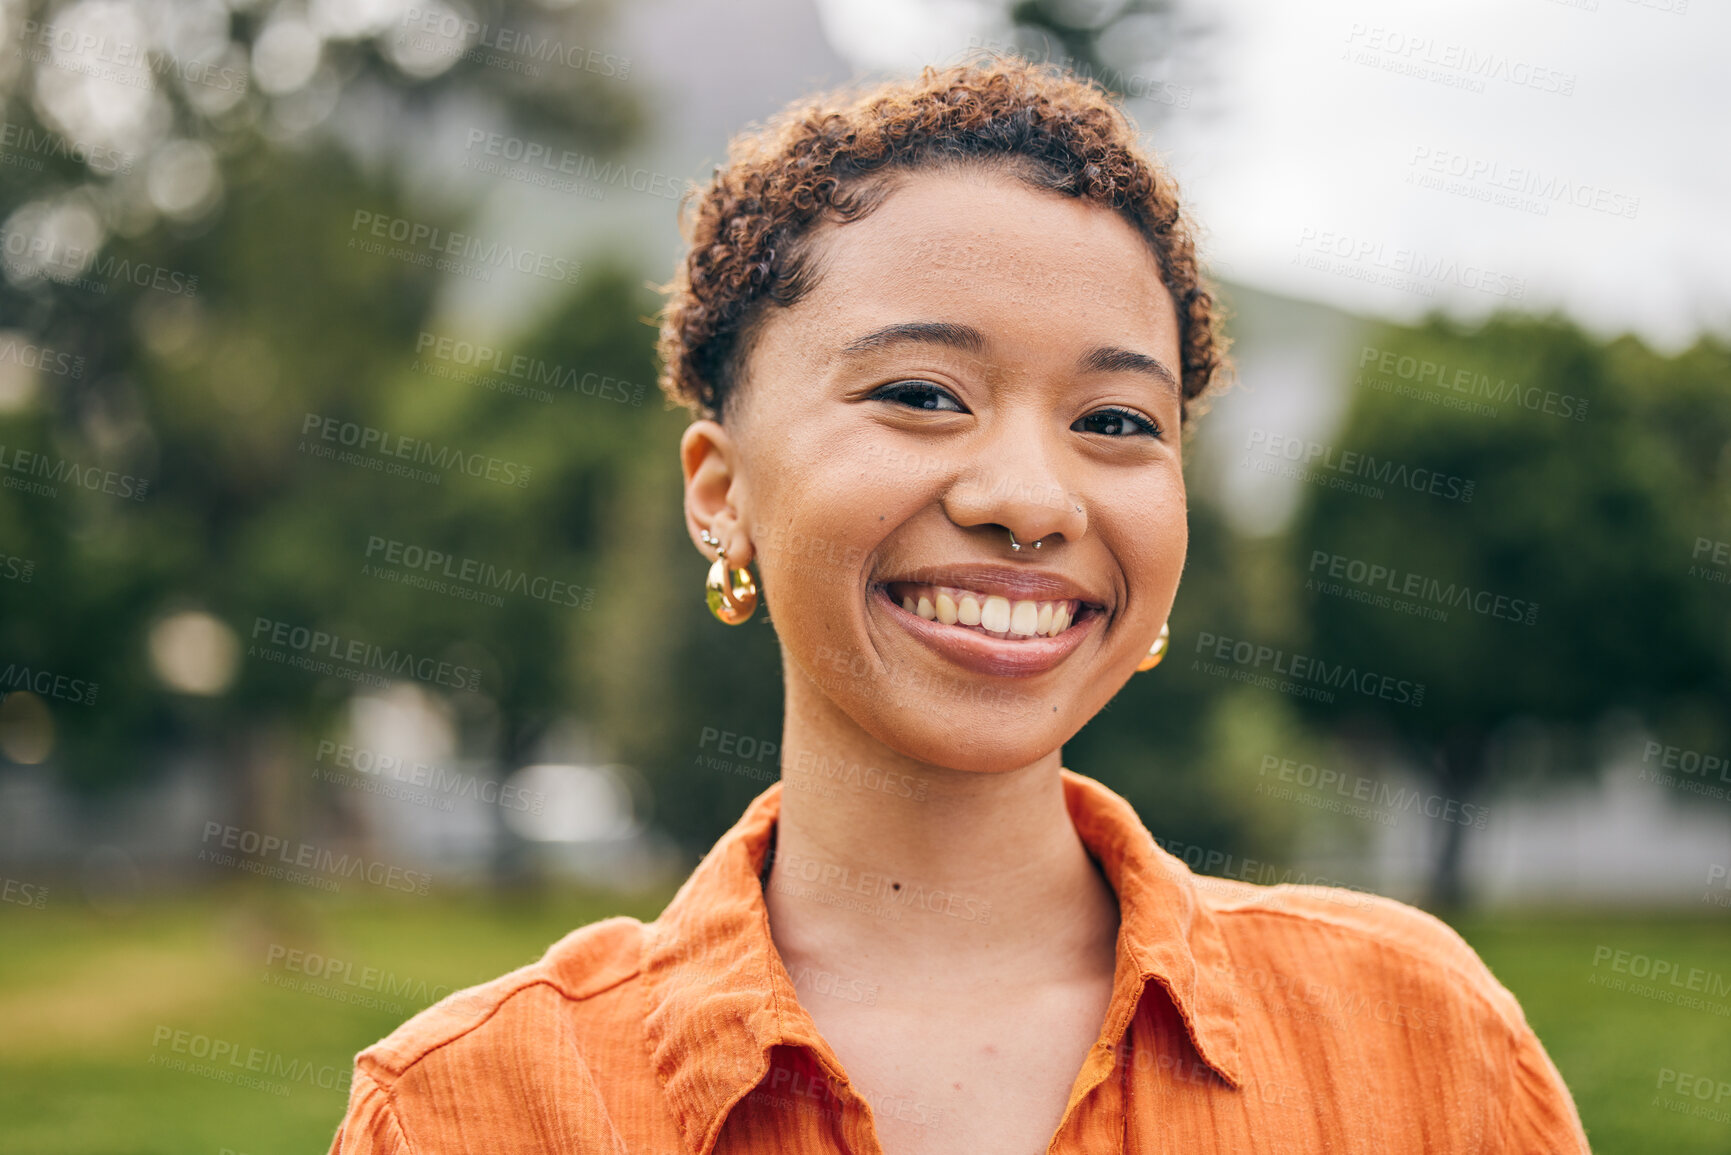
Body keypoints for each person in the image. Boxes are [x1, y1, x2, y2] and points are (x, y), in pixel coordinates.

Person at [327, 55, 1591, 1154]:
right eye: (923, 394)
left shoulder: (1423, 1044)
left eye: (1115, 421)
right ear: (721, 493)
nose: (1032, 501)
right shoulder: (469, 1112)